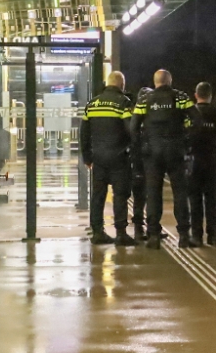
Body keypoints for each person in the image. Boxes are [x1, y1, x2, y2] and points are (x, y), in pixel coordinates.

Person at [131, 69, 193, 249]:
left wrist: (142, 145)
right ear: (170, 81)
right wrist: (186, 141)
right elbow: (196, 119)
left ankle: (153, 236)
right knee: (180, 193)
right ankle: (183, 235)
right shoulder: (181, 97)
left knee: (153, 194)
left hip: (152, 153)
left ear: (155, 82)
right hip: (175, 151)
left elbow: (134, 126)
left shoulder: (144, 100)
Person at [79, 71, 136, 247]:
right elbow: (131, 130)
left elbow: (84, 133)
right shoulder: (123, 103)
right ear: (122, 85)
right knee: (120, 196)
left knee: (98, 196)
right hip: (118, 157)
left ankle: (97, 232)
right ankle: (120, 234)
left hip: (98, 159)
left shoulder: (92, 104)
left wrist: (87, 157)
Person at [187, 82, 216, 247]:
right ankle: (213, 235)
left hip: (193, 161)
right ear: (210, 96)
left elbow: (184, 133)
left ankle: (196, 236)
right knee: (211, 199)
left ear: (196, 95)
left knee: (195, 199)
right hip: (212, 160)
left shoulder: (190, 112)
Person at [126, 86, 153, 241]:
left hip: (138, 159)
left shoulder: (134, 115)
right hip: (142, 159)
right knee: (145, 194)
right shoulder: (146, 116)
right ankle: (143, 227)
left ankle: (142, 227)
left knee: (142, 195)